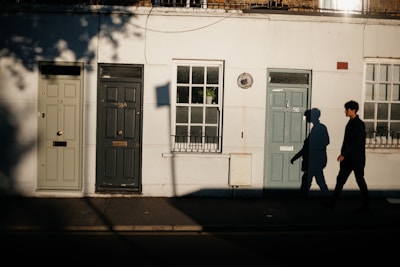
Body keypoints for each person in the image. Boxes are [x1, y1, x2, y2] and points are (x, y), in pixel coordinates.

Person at [326, 100, 370, 211]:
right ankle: (332, 203)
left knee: (360, 180)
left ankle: (366, 205)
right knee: (340, 180)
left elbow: (357, 143)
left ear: (353, 110)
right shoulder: (350, 123)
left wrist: (344, 154)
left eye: (347, 109)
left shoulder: (359, 124)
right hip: (348, 159)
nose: (345, 111)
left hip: (356, 159)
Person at [291, 108, 329, 197]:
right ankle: (327, 197)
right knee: (315, 179)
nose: (306, 118)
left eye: (307, 116)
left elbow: (324, 142)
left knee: (310, 180)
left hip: (315, 159)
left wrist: (296, 157)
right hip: (316, 159)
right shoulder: (318, 128)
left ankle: (303, 197)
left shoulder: (318, 128)